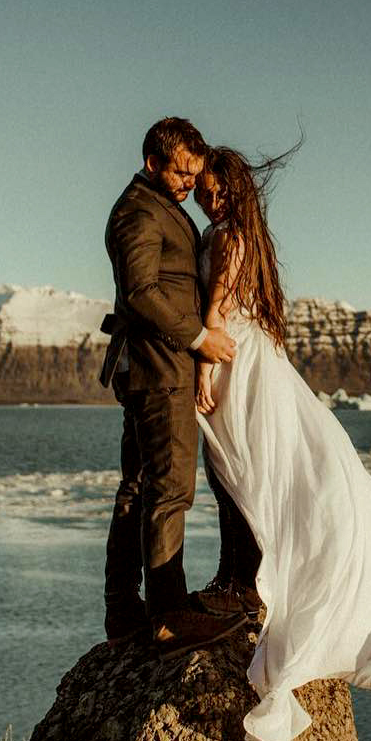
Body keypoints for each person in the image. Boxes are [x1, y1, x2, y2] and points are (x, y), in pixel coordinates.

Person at [191, 144, 371, 741]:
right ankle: (241, 577)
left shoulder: (227, 239)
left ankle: (241, 581)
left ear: (235, 192)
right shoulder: (232, 235)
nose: (208, 196)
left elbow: (217, 310)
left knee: (244, 472)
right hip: (250, 360)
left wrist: (204, 364)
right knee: (248, 472)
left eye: (216, 188)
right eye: (202, 186)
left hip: (236, 360)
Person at [98, 116, 251, 658]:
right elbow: (139, 292)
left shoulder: (161, 207)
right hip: (158, 367)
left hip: (153, 366)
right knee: (169, 489)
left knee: (139, 489)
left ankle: (125, 611)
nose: (190, 183)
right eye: (182, 173)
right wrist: (199, 339)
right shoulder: (138, 211)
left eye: (193, 174)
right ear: (153, 163)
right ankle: (166, 618)